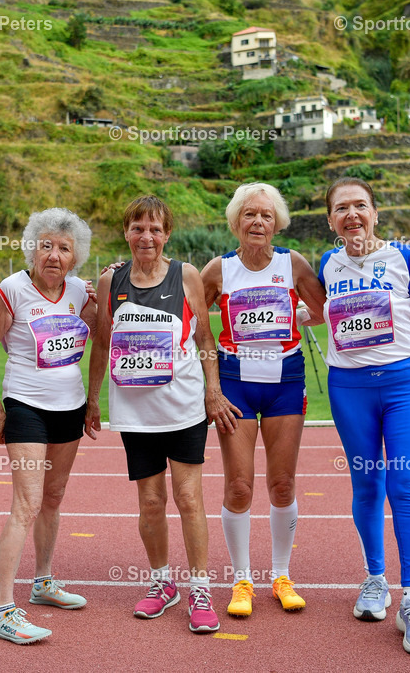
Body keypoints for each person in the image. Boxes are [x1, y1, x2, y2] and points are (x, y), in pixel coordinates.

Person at [85, 195, 240, 634]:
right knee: (151, 501)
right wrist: (92, 399)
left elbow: (205, 338)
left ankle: (201, 588)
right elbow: (102, 342)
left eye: (155, 229)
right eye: (138, 228)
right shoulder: (110, 280)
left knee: (189, 498)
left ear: (167, 234)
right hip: (134, 411)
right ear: (126, 232)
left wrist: (213, 391)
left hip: (184, 406)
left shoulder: (185, 274)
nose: (146, 236)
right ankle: (161, 582)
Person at [312, 177, 410, 656]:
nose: (352, 215)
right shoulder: (327, 264)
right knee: (366, 483)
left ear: (375, 213)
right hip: (349, 388)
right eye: (341, 208)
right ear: (330, 220)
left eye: (360, 206)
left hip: (403, 383)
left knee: (405, 483)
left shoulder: (405, 258)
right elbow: (310, 309)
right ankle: (375, 579)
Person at [199, 183, 324, 618]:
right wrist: (211, 386)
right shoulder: (218, 269)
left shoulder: (293, 264)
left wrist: (301, 315)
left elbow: (325, 308)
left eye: (266, 215)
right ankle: (242, 580)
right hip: (235, 383)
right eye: (249, 214)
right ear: (236, 222)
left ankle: (281, 576)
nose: (257, 222)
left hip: (285, 382)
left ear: (277, 223)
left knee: (282, 483)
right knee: (239, 486)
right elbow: (193, 322)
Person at [0, 208, 98, 644]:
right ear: (32, 248)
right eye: (46, 245)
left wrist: (110, 283)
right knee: (26, 503)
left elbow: (104, 330)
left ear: (75, 256)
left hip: (70, 406)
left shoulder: (80, 293)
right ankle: (3, 611)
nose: (54, 255)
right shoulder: (12, 290)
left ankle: (43, 582)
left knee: (53, 497)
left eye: (64, 248)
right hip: (25, 406)